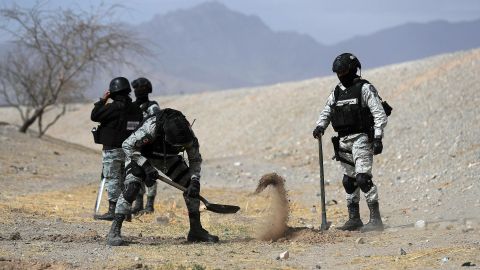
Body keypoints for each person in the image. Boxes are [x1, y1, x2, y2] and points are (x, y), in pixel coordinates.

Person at [106, 108, 219, 246]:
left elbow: (195, 160)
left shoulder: (189, 136)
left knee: (190, 187)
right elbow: (127, 145)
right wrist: (146, 167)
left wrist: (195, 180)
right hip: (140, 155)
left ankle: (196, 230)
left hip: (168, 158)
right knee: (132, 187)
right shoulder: (151, 128)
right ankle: (114, 230)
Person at [312, 53, 388, 232]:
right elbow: (327, 111)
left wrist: (377, 137)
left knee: (362, 178)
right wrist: (320, 126)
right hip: (343, 140)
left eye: (343, 70)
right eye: (337, 71)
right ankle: (354, 219)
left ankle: (376, 220)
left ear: (352, 69)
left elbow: (379, 114)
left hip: (361, 138)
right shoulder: (337, 92)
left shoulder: (364, 88)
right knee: (349, 180)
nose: (340, 74)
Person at [91, 77, 143, 221]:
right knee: (127, 179)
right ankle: (125, 211)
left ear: (112, 92)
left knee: (113, 179)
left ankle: (113, 211)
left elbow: (94, 115)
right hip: (130, 150)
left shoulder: (111, 108)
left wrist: (103, 99)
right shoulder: (135, 109)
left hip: (112, 150)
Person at [130, 77, 161, 215]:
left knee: (150, 175)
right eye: (136, 89)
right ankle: (138, 203)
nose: (138, 91)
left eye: (141, 88)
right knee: (137, 173)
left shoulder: (152, 106)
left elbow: (156, 122)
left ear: (147, 90)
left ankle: (149, 204)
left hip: (150, 145)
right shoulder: (132, 107)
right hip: (135, 145)